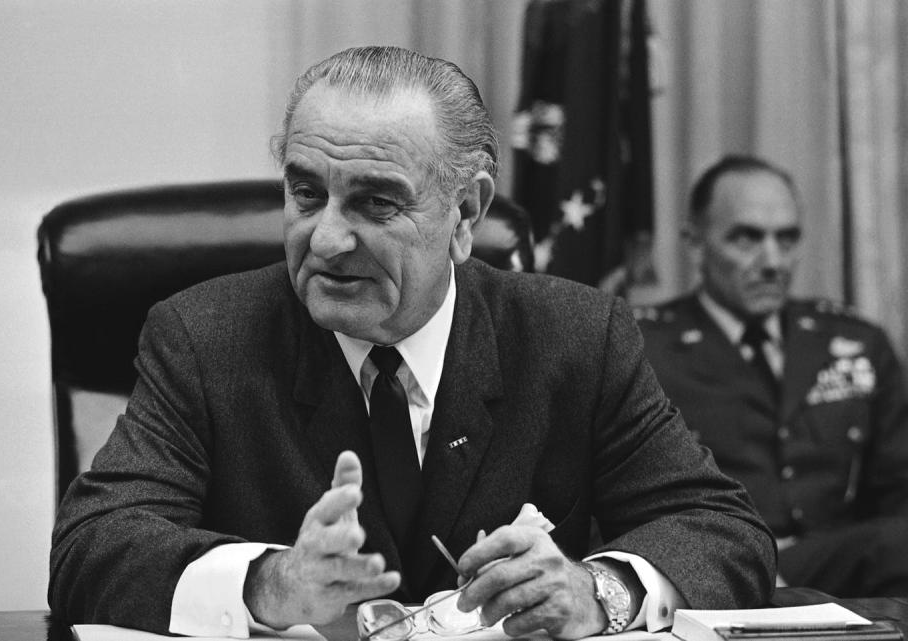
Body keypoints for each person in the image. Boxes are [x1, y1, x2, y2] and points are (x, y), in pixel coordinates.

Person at [49, 47, 775, 638]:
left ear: (466, 212)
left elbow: (721, 528)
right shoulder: (206, 336)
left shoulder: (575, 335)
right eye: (306, 193)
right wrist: (271, 583)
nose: (327, 238)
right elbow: (91, 548)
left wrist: (598, 590)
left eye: (375, 201)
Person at [637, 154, 908, 598]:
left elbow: (898, 486)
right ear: (695, 243)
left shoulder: (855, 341)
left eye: (787, 239)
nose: (773, 261)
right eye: (746, 238)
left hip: (847, 571)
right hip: (712, 570)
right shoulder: (646, 347)